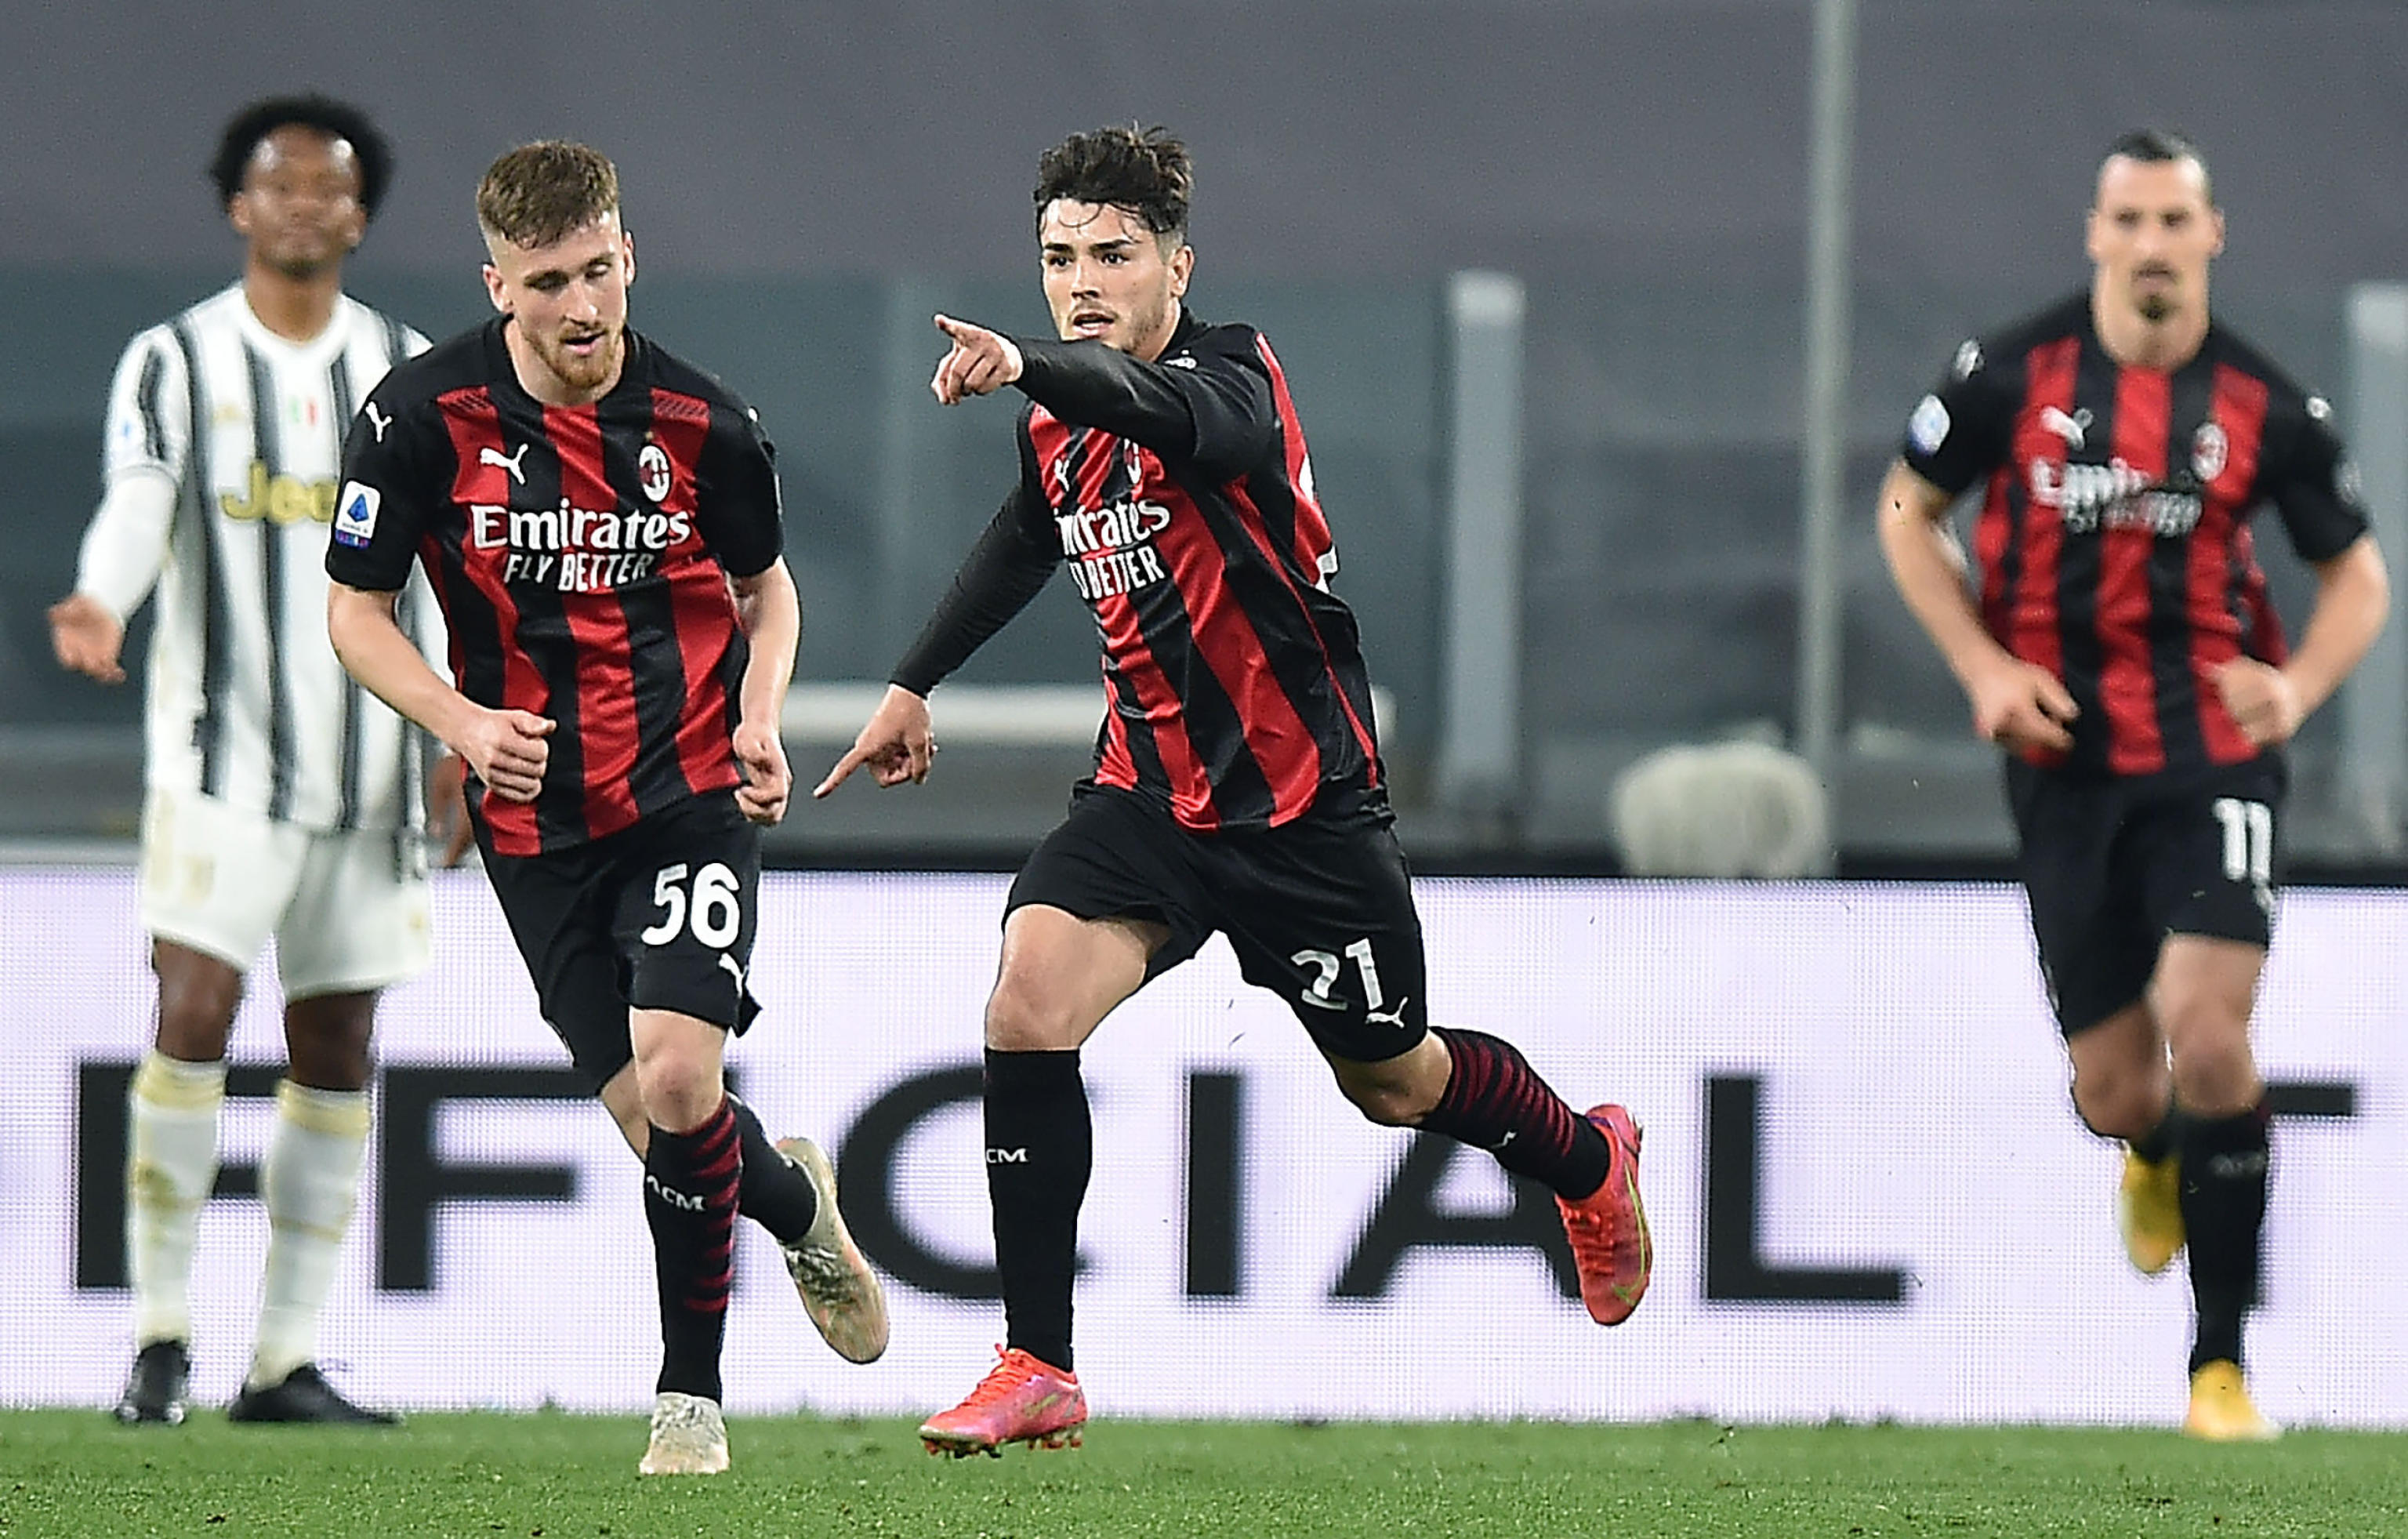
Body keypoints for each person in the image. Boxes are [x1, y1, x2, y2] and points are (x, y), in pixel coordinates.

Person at [814, 124, 1652, 1459]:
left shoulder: (1231, 377)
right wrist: (914, 680)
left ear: (1177, 266)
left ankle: (1585, 1161)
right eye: (1058, 259)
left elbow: (1171, 417)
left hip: (1301, 812)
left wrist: (1037, 362)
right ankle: (1037, 1360)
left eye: (1114, 255)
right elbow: (1025, 538)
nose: (1082, 281)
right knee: (1027, 1003)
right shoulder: (1059, 422)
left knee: (1392, 1082)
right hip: (1146, 798)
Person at [323, 140, 887, 1476]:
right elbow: (355, 614)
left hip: (686, 792)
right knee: (663, 1126)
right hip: (533, 830)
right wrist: (460, 725)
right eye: (547, 282)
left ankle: (687, 1403)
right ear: (498, 285)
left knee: (685, 1074)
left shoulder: (706, 424)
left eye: (598, 270)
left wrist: (759, 715)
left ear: (629, 255)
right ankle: (798, 1200)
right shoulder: (417, 420)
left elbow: (771, 591)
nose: (583, 309)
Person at [1876, 129, 2390, 1440]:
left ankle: (2218, 1371)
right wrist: (1982, 666)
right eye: (2132, 221)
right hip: (2061, 762)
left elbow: (2360, 580)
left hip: (2214, 751)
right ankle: (2153, 1155)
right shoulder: (2011, 374)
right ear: (2096, 235)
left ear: (2214, 236)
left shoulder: (2268, 406)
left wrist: (2301, 690)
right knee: (2115, 1089)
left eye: (2177, 220)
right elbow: (1903, 509)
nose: (2154, 245)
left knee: (2210, 1030)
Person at [47, 94, 459, 1429]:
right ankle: (161, 1337)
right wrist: (103, 598)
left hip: (374, 765)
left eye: (327, 188)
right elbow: (141, 498)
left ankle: (282, 1358)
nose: (301, 206)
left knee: (338, 1037)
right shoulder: (173, 360)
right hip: (220, 762)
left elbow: (441, 563)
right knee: (194, 1013)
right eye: (278, 185)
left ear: (358, 213)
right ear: (239, 205)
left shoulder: (401, 369)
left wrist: (454, 725)